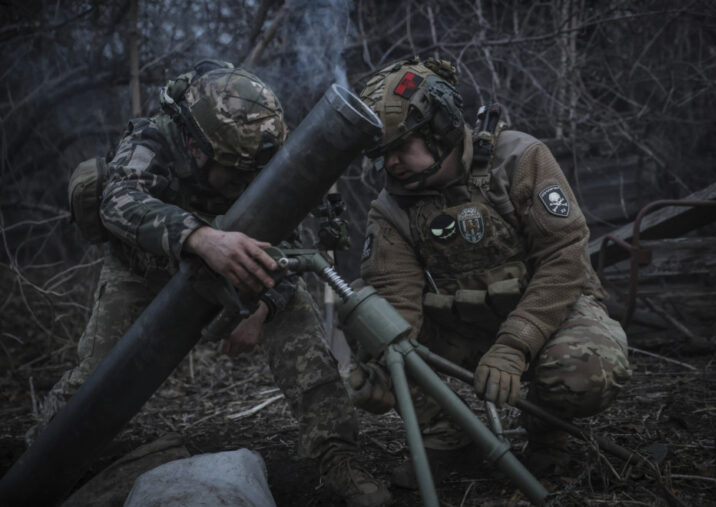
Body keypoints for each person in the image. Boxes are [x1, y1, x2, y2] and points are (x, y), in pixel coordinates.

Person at [28, 60, 391, 507]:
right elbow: (118, 202)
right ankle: (38, 456)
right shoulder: (154, 139)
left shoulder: (258, 146)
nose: (244, 181)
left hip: (240, 262)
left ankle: (338, 456)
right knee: (96, 379)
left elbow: (286, 234)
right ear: (196, 146)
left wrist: (264, 305)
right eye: (233, 172)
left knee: (305, 345)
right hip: (145, 270)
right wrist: (201, 237)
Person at [351, 56, 632, 485]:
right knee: (366, 313)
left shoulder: (517, 159)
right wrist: (384, 372)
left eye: (398, 148)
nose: (388, 165)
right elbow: (397, 307)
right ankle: (449, 442)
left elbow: (564, 256)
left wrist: (515, 345)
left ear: (439, 128)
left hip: (546, 316)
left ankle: (548, 438)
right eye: (379, 154)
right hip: (458, 329)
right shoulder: (390, 210)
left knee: (586, 368)